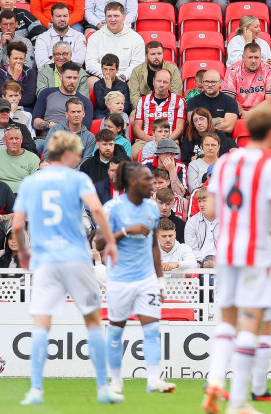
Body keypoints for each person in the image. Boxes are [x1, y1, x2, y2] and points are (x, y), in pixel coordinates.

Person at [201, 106, 271, 414]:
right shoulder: (270, 164)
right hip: (255, 253)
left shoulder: (225, 161)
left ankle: (214, 382)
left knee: (227, 322)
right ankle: (237, 402)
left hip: (225, 250)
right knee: (252, 321)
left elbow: (209, 210)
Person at [13, 132, 121, 405]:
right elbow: (97, 211)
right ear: (70, 153)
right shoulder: (78, 179)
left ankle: (35, 390)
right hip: (75, 257)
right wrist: (110, 242)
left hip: (45, 260)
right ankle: (102, 387)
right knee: (93, 321)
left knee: (41, 324)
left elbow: (16, 225)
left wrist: (24, 252)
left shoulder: (32, 182)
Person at [98, 162, 176, 393]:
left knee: (152, 330)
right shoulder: (112, 208)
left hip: (146, 279)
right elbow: (100, 242)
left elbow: (153, 244)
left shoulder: (152, 208)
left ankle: (154, 380)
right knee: (115, 332)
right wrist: (126, 231)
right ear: (133, 183)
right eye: (146, 181)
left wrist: (160, 279)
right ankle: (115, 381)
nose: (151, 185)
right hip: (120, 278)